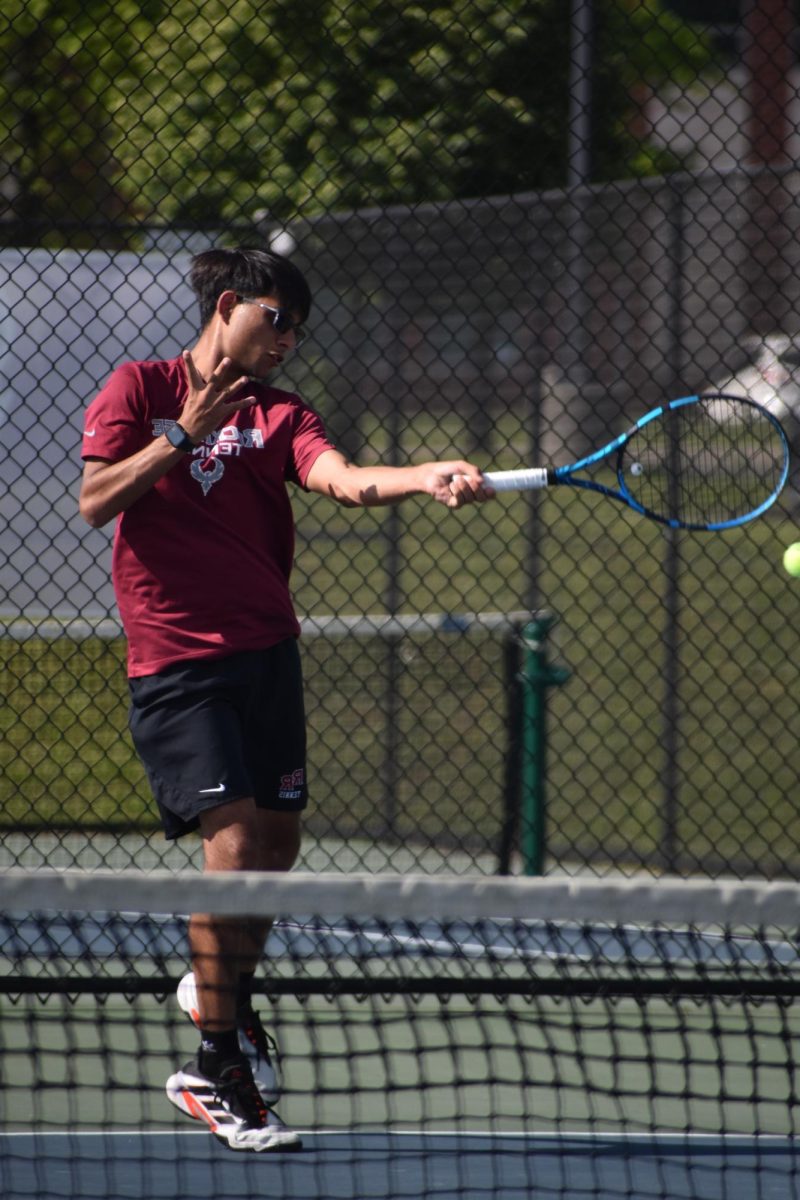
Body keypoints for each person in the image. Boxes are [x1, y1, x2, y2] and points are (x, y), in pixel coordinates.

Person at [78, 246, 489, 1153]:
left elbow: (340, 477)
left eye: (300, 328)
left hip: (268, 657)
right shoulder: (138, 388)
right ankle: (214, 1063)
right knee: (231, 840)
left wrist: (423, 475)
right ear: (230, 305)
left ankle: (216, 994)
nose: (290, 340)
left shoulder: (279, 415)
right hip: (178, 664)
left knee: (272, 851)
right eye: (278, 320)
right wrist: (181, 431)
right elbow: (96, 499)